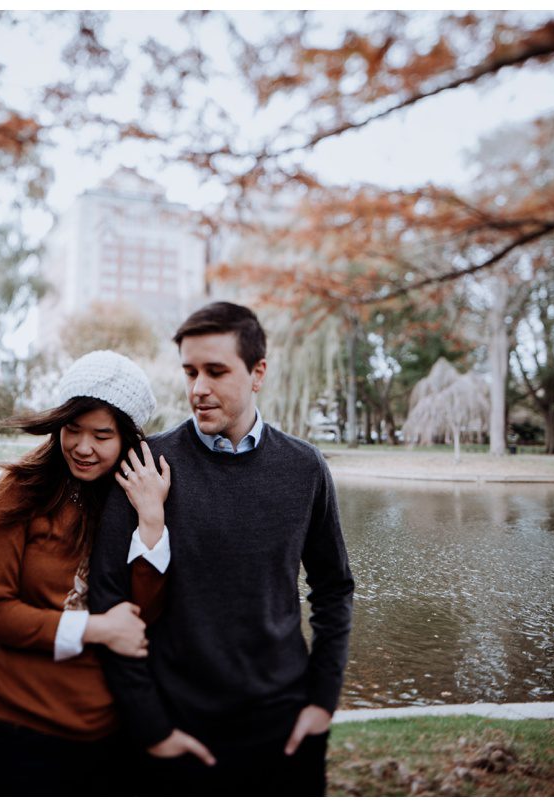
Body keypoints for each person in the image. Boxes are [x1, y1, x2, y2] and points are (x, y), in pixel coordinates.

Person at [89, 302, 355, 796]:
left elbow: (334, 589)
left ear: (258, 373)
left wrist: (321, 702)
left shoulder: (305, 468)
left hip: (284, 728)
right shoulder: (146, 465)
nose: (197, 389)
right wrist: (151, 727)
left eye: (215, 371)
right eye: (190, 371)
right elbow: (109, 600)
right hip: (175, 728)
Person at [0, 350, 174, 796]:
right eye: (73, 430)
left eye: (102, 435)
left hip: (113, 731)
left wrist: (151, 519)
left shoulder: (135, 495)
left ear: (127, 438)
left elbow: (145, 615)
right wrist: (95, 628)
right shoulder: (19, 489)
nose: (83, 447)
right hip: (22, 729)